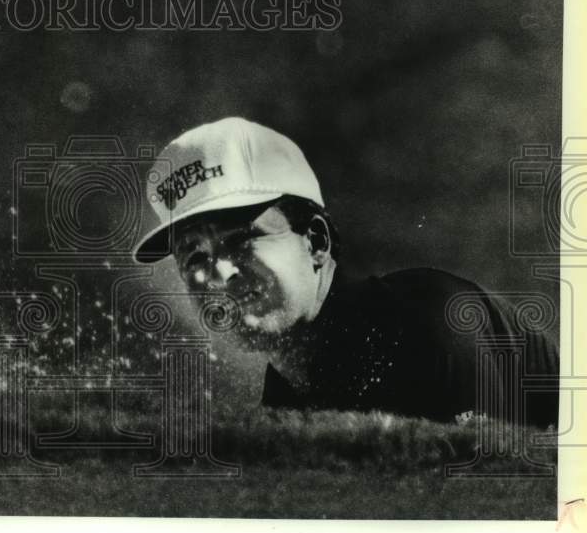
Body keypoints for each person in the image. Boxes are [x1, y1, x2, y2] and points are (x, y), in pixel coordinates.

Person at [133, 117, 559, 427]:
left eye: (241, 239)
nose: (220, 273)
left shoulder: (427, 326)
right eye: (194, 258)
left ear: (316, 243)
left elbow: (495, 505)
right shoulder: (286, 392)